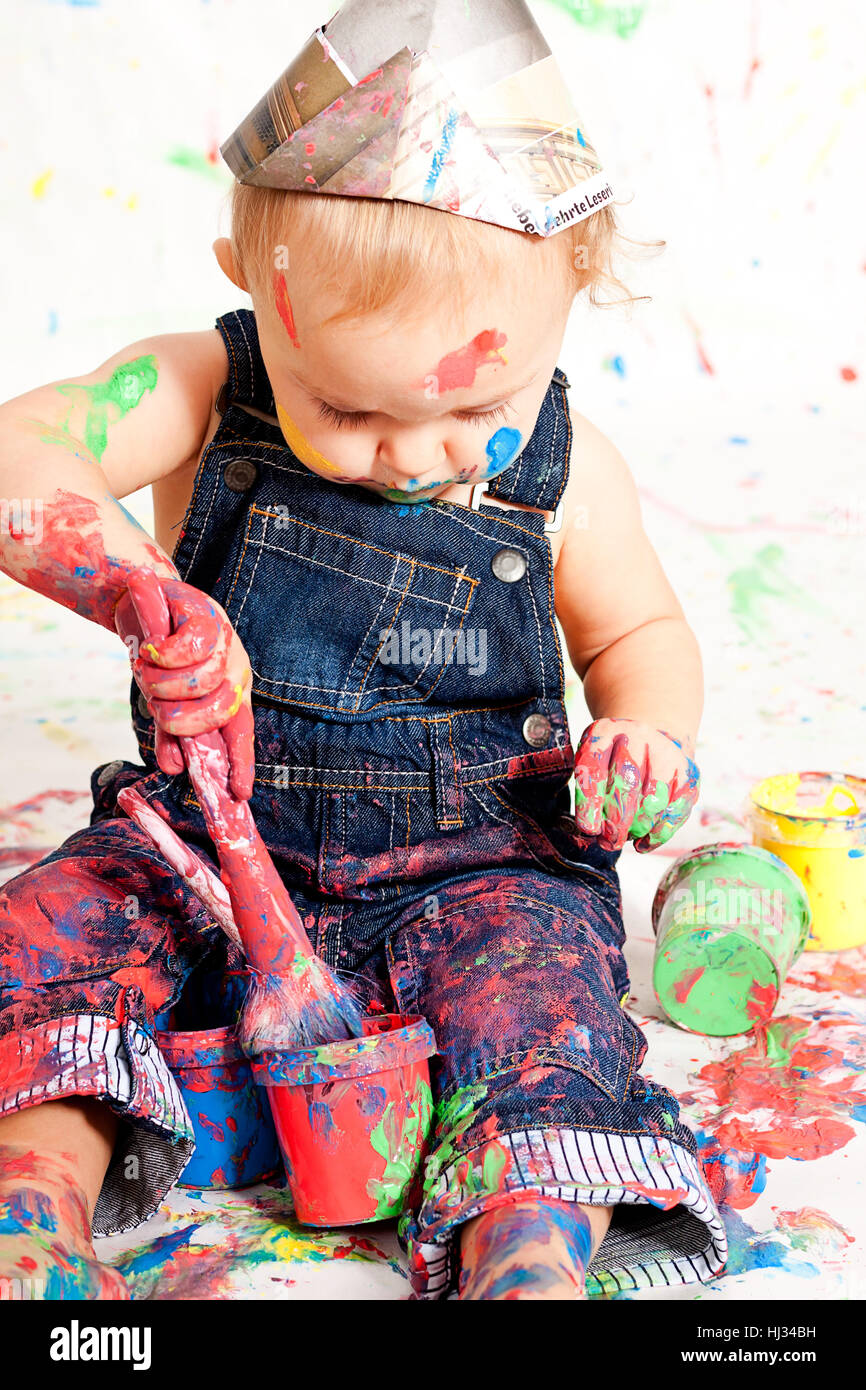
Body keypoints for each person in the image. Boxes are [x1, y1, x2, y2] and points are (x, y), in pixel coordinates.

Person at [0, 0, 726, 1300]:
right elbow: (19, 451)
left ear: (573, 291)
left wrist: (645, 736)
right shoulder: (203, 390)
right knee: (50, 943)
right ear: (247, 278)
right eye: (344, 404)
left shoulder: (567, 477)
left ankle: (527, 1255)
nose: (413, 449)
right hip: (214, 849)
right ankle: (32, 1207)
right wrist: (127, 584)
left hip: (481, 874)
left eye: (476, 409)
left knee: (545, 1017)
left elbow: (638, 637)